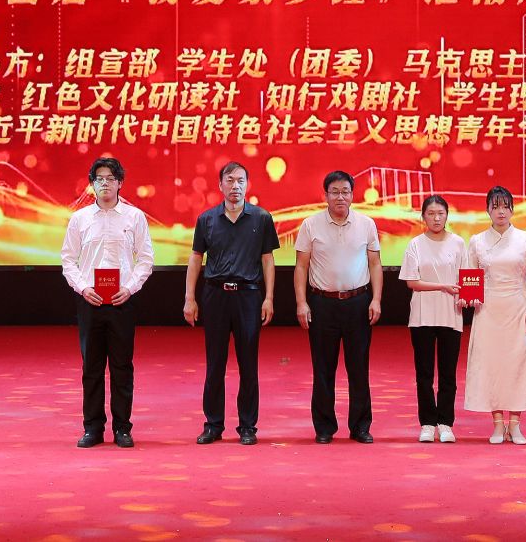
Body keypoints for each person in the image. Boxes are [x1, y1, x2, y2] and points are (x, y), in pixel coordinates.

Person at [59, 155, 154, 448]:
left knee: (122, 367)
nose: (105, 184)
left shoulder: (134, 217)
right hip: (90, 301)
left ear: (120, 183)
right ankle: (93, 428)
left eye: (110, 179)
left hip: (122, 301)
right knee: (92, 367)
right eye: (99, 179)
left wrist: (130, 288)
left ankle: (122, 428)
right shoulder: (80, 219)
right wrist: (83, 288)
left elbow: (146, 259)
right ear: (92, 184)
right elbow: (68, 259)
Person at [183, 161, 279, 446]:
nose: (235, 186)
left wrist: (269, 297)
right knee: (215, 363)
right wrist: (190, 298)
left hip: (248, 296)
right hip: (215, 296)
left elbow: (267, 260)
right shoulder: (206, 219)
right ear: (220, 185)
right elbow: (196, 258)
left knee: (248, 363)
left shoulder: (261, 218)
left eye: (240, 181)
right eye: (229, 180)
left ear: (247, 185)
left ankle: (248, 426)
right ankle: (213, 425)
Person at [293, 169, 383, 443]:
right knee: (323, 368)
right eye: (335, 192)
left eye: (345, 192)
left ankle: (360, 426)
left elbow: (375, 264)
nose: (340, 197)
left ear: (352, 195)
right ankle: (324, 427)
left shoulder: (366, 224)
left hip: (358, 302)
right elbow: (301, 266)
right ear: (326, 195)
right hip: (323, 303)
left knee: (359, 368)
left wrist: (376, 299)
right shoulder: (310, 225)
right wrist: (301, 303)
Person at [462, 184, 526, 444]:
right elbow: (471, 278)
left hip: (518, 309)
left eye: (506, 207)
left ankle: (516, 425)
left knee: (518, 364)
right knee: (492, 366)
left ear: (512, 209)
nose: (501, 212)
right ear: (487, 210)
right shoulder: (477, 241)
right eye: (495, 207)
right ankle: (498, 424)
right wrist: (469, 296)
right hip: (487, 312)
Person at [398, 194, 466, 443]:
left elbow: (468, 278)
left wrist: (467, 297)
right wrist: (442, 286)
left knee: (448, 374)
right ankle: (427, 423)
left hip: (451, 315)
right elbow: (411, 281)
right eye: (431, 214)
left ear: (447, 215)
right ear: (423, 217)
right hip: (422, 316)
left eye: (440, 213)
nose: (436, 218)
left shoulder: (458, 243)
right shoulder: (415, 244)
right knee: (424, 374)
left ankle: (445, 423)